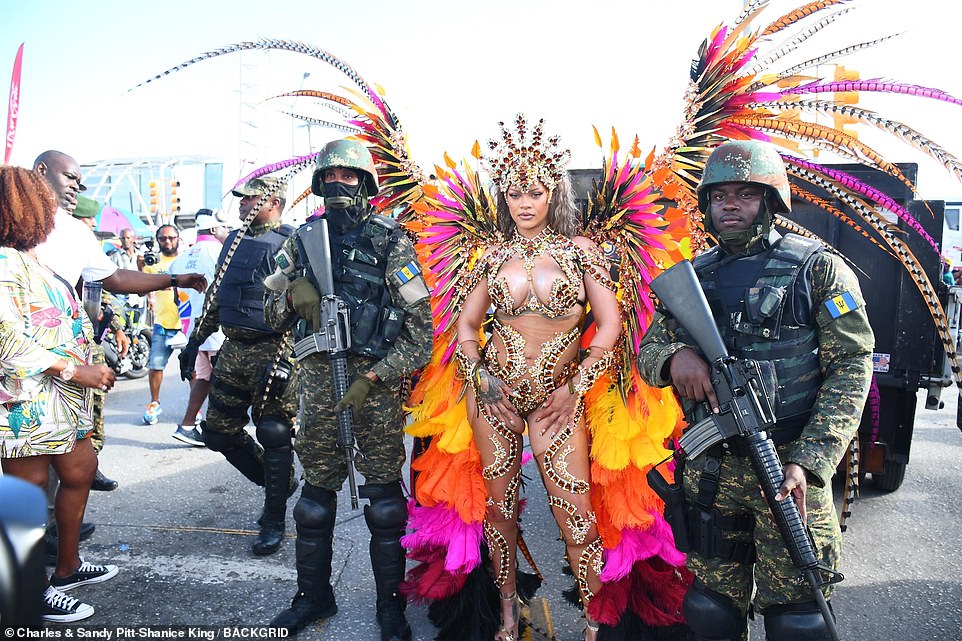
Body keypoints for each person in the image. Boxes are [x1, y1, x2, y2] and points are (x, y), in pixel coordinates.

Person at [637, 140, 874, 641]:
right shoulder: (693, 280)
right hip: (715, 473)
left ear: (771, 201)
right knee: (711, 608)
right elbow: (648, 351)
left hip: (787, 466)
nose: (730, 204)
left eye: (746, 193)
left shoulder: (818, 269)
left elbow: (852, 367)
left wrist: (811, 461)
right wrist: (674, 358)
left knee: (797, 618)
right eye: (720, 194)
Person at [446, 123, 621, 641]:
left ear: (553, 194)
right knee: (499, 512)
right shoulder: (490, 256)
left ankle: (594, 620)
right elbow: (466, 328)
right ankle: (505, 614)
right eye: (515, 192)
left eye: (535, 192)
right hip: (495, 401)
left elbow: (609, 325)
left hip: (557, 404)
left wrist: (577, 388)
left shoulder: (581, 253)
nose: (524, 202)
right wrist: (481, 381)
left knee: (576, 512)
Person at [264, 139, 432, 640]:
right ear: (318, 185)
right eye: (330, 177)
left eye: (350, 176)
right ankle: (313, 597)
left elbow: (420, 333)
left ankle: (390, 607)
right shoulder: (300, 241)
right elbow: (269, 314)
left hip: (373, 387)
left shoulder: (389, 241)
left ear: (366, 183)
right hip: (317, 384)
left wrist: (374, 375)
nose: (339, 184)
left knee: (383, 502)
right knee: (314, 499)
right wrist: (294, 292)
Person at [32, 150, 207, 552]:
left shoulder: (74, 231)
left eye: (81, 179)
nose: (79, 185)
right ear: (41, 171)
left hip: (65, 362)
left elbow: (113, 278)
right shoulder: (12, 223)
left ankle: (55, 546)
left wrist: (173, 278)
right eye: (70, 176)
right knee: (27, 470)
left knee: (69, 460)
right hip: (23, 365)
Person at [0, 166, 119, 623]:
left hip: (60, 400)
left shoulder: (26, 259)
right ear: (22, 207)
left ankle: (67, 569)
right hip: (26, 402)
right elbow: (6, 339)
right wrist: (75, 369)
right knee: (27, 499)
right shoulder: (6, 262)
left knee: (80, 469)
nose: (52, 209)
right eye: (41, 201)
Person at [180, 176, 300, 556]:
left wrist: (290, 357)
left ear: (274, 202)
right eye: (241, 199)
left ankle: (273, 517)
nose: (242, 205)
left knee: (275, 433)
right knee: (216, 433)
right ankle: (276, 481)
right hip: (233, 350)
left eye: (250, 199)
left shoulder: (294, 242)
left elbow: (307, 309)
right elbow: (217, 297)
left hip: (275, 349)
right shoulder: (231, 242)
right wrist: (194, 341)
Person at [71, 197, 128, 491]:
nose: (93, 225)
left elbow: (101, 291)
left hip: (90, 341)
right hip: (66, 348)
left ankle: (90, 468)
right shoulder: (63, 248)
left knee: (93, 411)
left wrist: (118, 327)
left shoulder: (83, 249)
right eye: (88, 219)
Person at [169, 209, 231, 446]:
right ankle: (220, 430)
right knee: (225, 380)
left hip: (192, 332)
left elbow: (176, 295)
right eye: (224, 228)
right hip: (218, 328)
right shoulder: (221, 252)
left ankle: (187, 426)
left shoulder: (183, 256)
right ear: (215, 229)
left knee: (203, 379)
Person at [141, 224, 184, 425]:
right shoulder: (153, 264)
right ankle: (154, 403)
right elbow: (141, 291)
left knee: (192, 368)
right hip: (162, 324)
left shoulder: (186, 260)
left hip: (185, 325)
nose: (167, 241)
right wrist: (140, 269)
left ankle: (196, 409)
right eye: (163, 238)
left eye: (171, 237)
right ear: (157, 240)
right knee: (155, 366)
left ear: (178, 238)